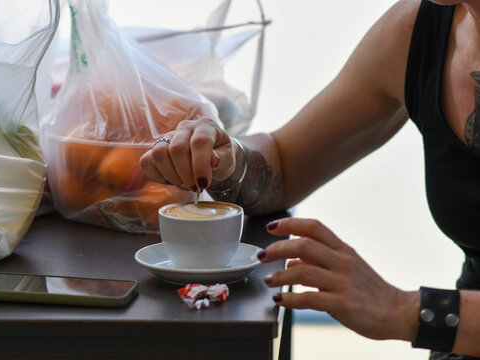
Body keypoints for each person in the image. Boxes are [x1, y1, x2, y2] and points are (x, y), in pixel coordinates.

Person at [140, 0, 480, 358]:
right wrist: (227, 159)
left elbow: (406, 312)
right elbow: (285, 164)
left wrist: (404, 309)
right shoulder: (418, 30)